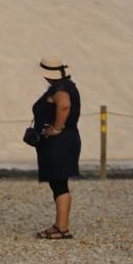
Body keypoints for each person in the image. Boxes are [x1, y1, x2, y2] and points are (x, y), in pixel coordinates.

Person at [33, 56, 81, 240]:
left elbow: (64, 105)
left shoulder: (60, 89)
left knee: (59, 182)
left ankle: (62, 228)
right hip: (65, 140)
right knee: (58, 182)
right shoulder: (68, 86)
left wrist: (56, 128)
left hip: (59, 141)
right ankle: (60, 225)